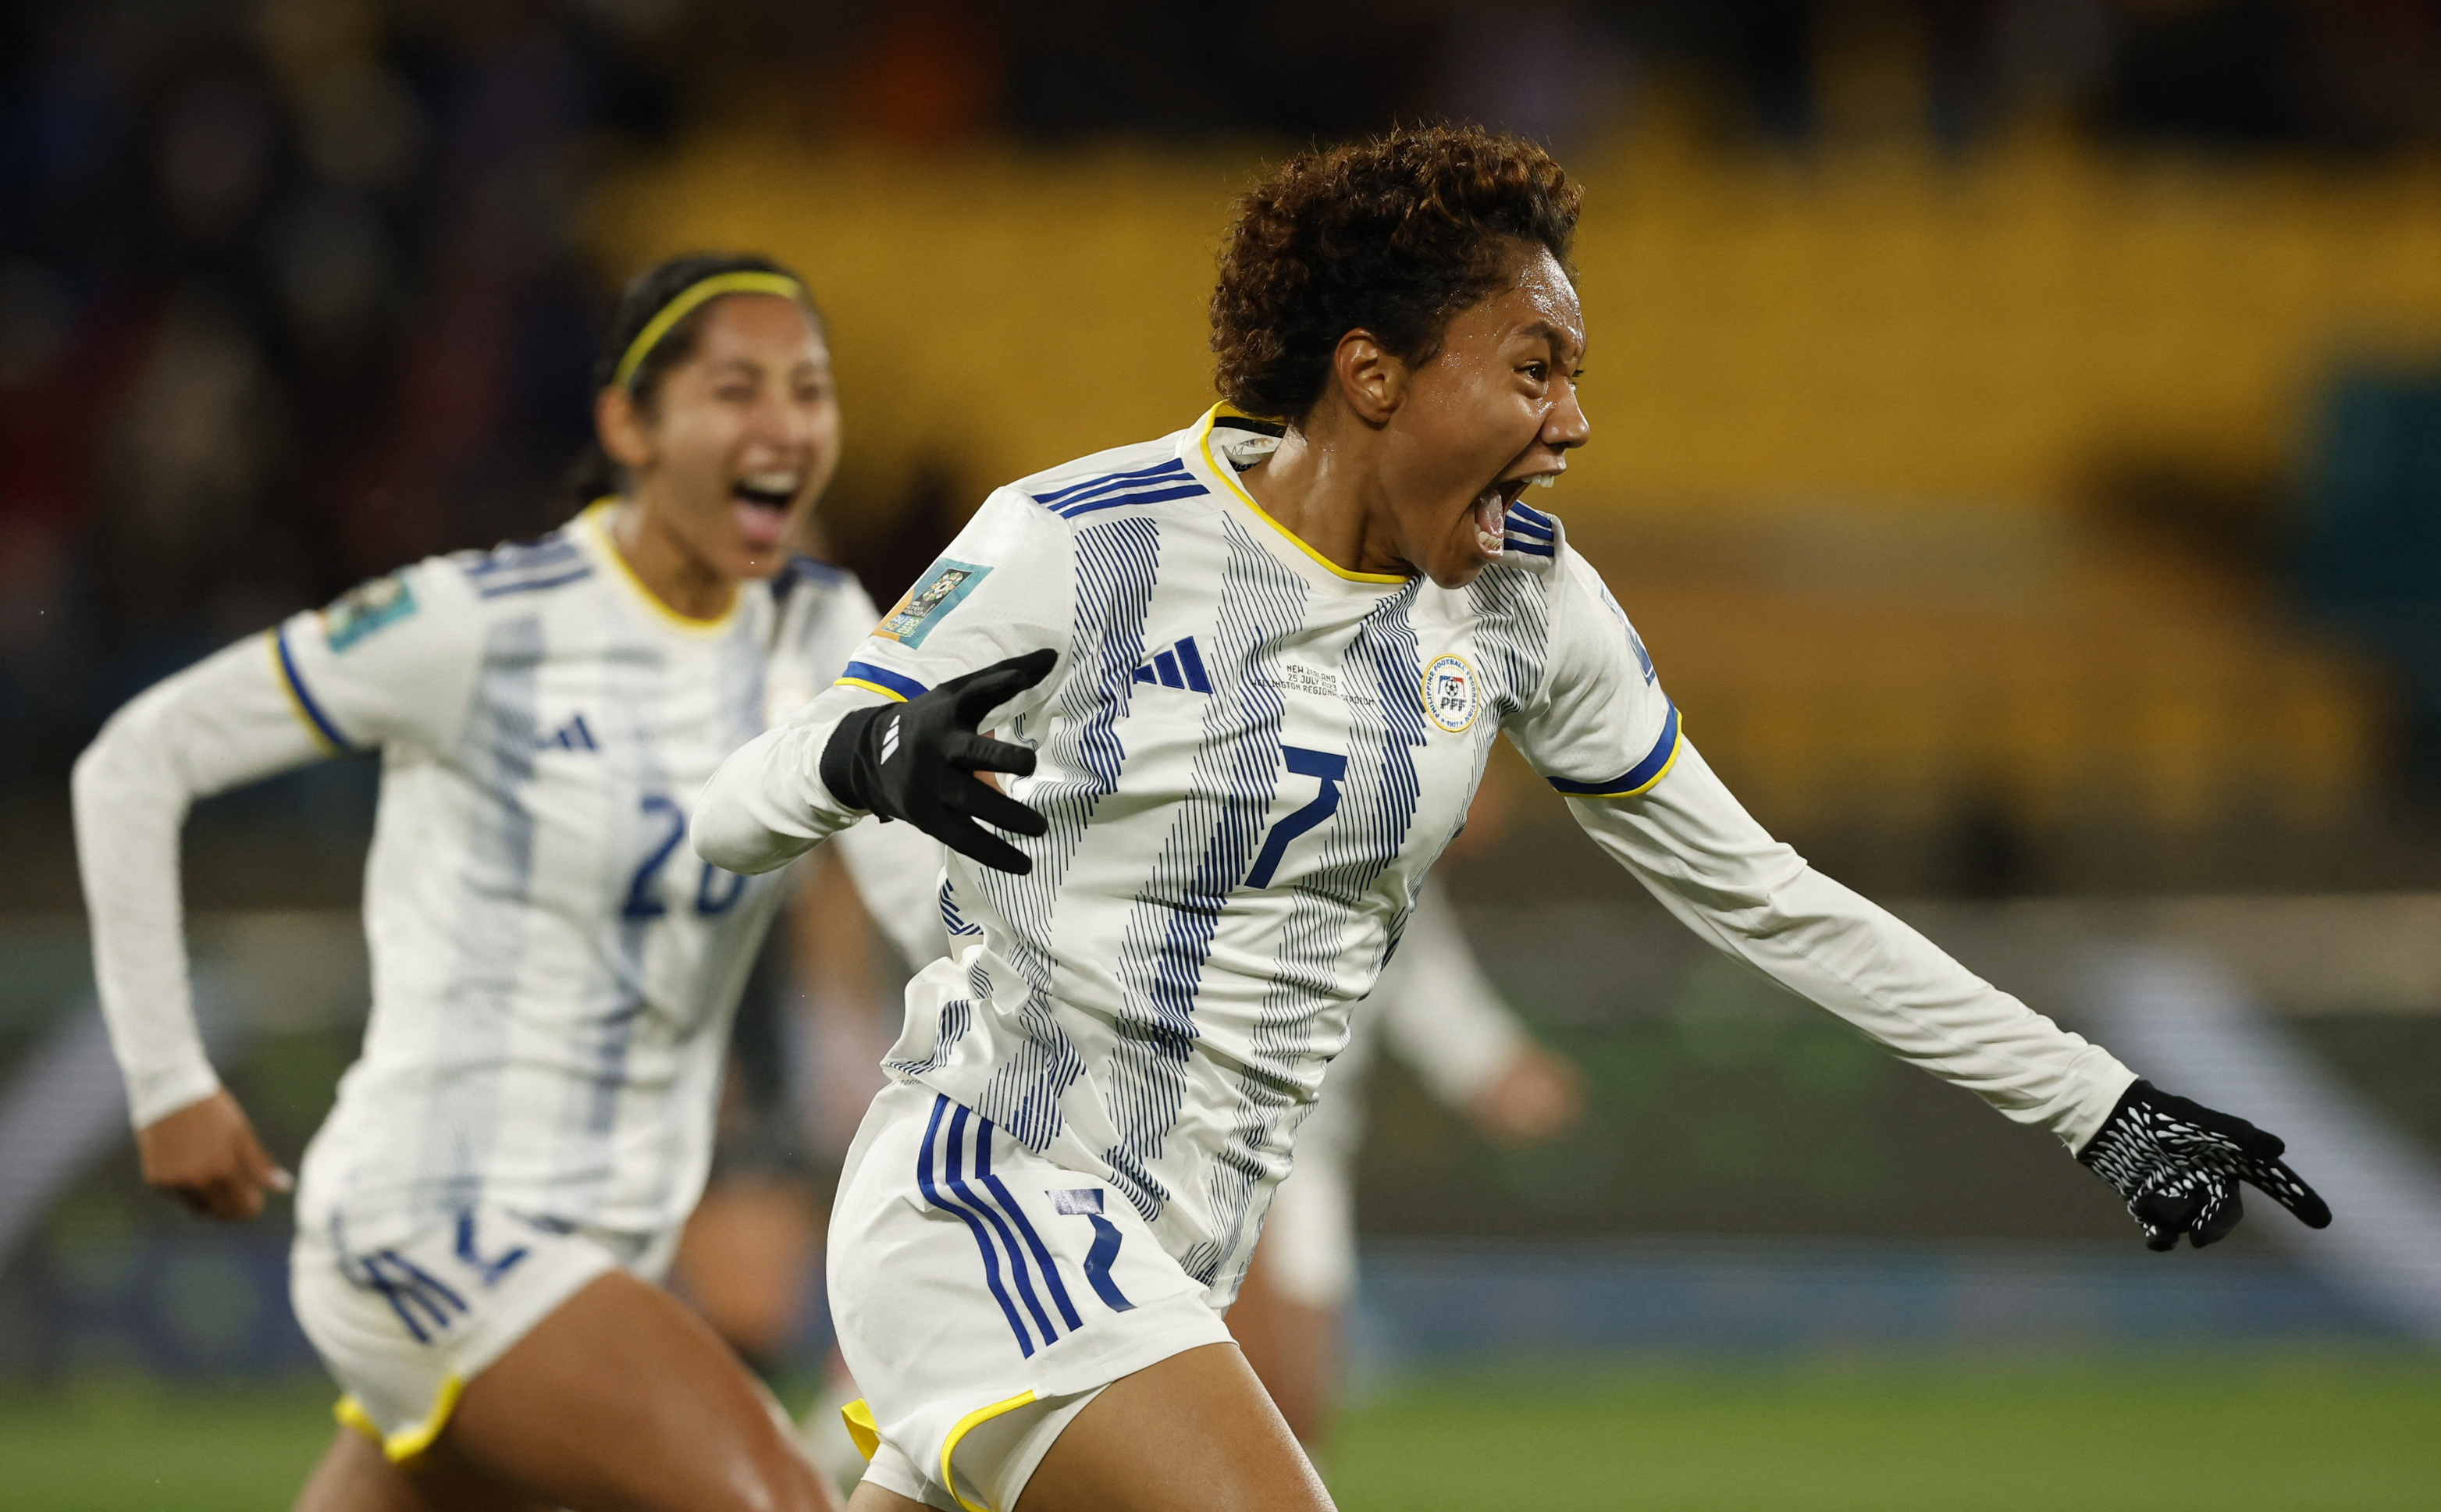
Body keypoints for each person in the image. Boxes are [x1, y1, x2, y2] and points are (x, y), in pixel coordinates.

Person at [689, 127, 2332, 1512]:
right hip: (992, 1201)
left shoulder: (1530, 609)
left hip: (1179, 1257)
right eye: (1534, 367)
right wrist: (865, 757)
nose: (1573, 419)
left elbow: (1766, 893)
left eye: (1576, 375)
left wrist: (2095, 1099)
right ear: (1373, 373)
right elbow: (743, 787)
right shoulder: (1081, 541)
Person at [74, 251, 939, 1512]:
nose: (783, 425)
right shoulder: (476, 624)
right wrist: (166, 1081)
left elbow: (912, 881)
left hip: (607, 1253)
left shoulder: (818, 626)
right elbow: (137, 762)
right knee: (778, 1499)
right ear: (626, 425)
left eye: (809, 391)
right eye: (736, 389)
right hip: (435, 1223)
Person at [1226, 877, 1584, 1452]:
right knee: (1252, 1398)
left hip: (1305, 1149)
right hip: (1192, 1135)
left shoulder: (1400, 835)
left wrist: (1490, 1064)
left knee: (1294, 1409)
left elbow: (1422, 974)